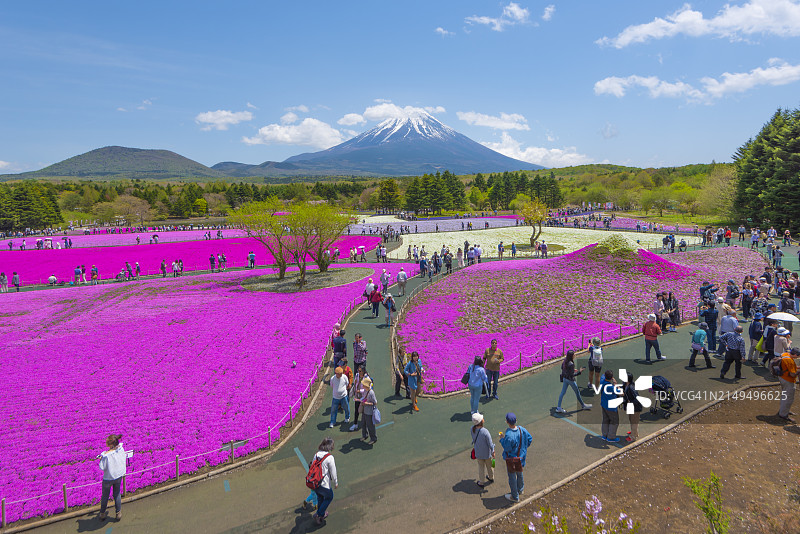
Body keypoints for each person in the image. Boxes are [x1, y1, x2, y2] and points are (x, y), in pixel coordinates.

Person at [499, 413, 532, 503]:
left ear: (507, 422)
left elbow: (507, 448)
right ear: (516, 420)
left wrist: (502, 439)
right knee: (520, 473)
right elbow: (530, 439)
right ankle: (520, 489)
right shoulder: (522, 429)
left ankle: (515, 496)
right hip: (521, 457)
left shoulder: (509, 434)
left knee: (512, 477)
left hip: (512, 459)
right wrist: (524, 448)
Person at [98, 434, 126, 521]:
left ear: (111, 444)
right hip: (118, 476)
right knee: (117, 494)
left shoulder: (106, 455)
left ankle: (102, 513)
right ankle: (118, 513)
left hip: (108, 478)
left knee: (105, 496)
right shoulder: (121, 449)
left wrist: (101, 459)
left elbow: (102, 467)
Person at [311, 437, 338, 525]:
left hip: (315, 482)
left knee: (320, 498)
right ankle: (318, 514)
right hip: (324, 483)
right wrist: (336, 482)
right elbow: (333, 472)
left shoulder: (316, 454)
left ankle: (321, 515)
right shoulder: (330, 458)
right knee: (329, 497)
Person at [470, 413, 495, 488]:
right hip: (487, 454)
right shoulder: (485, 431)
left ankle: (481, 482)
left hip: (478, 453)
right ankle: (491, 477)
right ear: (481, 421)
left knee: (481, 467)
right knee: (490, 466)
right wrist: (493, 451)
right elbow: (490, 443)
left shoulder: (472, 429)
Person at [776, 348, 800, 423]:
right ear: (795, 354)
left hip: (782, 377)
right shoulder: (790, 361)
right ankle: (783, 414)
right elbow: (792, 374)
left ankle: (784, 410)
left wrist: (797, 367)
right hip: (788, 380)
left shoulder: (785, 355)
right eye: (798, 356)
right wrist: (798, 372)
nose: (798, 357)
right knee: (788, 398)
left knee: (784, 395)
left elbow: (788, 368)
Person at [599, 370, 620, 442]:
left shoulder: (602, 381)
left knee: (605, 420)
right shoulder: (611, 387)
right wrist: (616, 384)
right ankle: (611, 437)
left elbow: (603, 375)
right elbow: (621, 393)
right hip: (611, 407)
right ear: (611, 377)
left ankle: (604, 435)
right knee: (614, 421)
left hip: (603, 404)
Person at [623, 372, 643, 442]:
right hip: (631, 406)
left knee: (634, 421)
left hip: (635, 407)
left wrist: (630, 402)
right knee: (631, 420)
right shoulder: (625, 384)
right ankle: (634, 432)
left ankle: (633, 437)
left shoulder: (631, 387)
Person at [359, 377, 378, 444]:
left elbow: (375, 402)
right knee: (363, 423)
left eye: (363, 384)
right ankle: (365, 435)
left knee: (370, 426)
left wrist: (366, 403)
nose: (362, 385)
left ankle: (373, 438)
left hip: (369, 412)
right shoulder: (365, 391)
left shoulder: (371, 393)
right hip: (364, 410)